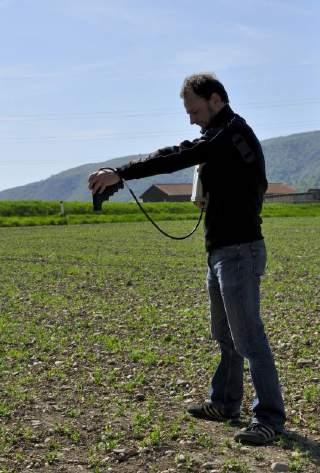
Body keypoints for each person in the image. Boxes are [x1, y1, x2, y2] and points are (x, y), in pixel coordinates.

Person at [88, 73, 286, 445]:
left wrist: (121, 173)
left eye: (194, 110)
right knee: (225, 335)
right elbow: (198, 155)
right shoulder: (220, 137)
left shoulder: (231, 134)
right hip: (221, 251)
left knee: (250, 339)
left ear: (215, 100)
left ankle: (269, 418)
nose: (191, 119)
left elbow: (179, 154)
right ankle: (225, 403)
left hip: (240, 251)